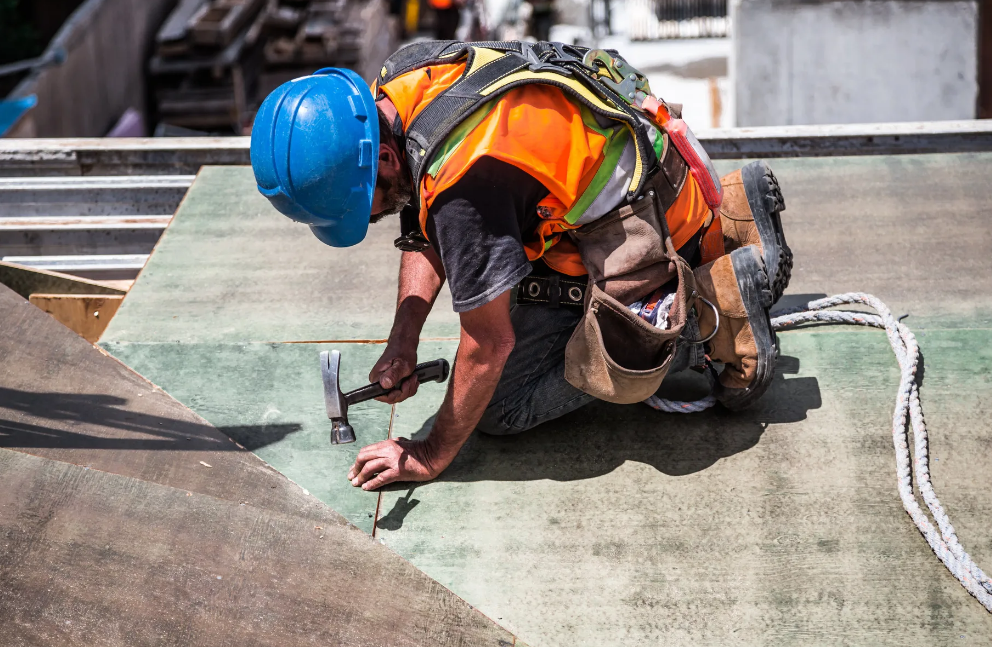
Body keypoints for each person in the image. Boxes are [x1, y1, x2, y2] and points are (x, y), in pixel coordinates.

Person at [250, 41, 793, 491]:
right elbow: (423, 219)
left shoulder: (466, 185)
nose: (366, 221)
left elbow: (489, 345)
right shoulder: (404, 80)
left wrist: (430, 453)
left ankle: (711, 310)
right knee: (496, 286)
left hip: (647, 231)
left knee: (502, 407)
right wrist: (403, 339)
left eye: (358, 207)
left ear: (385, 158)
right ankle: (733, 215)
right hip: (653, 174)